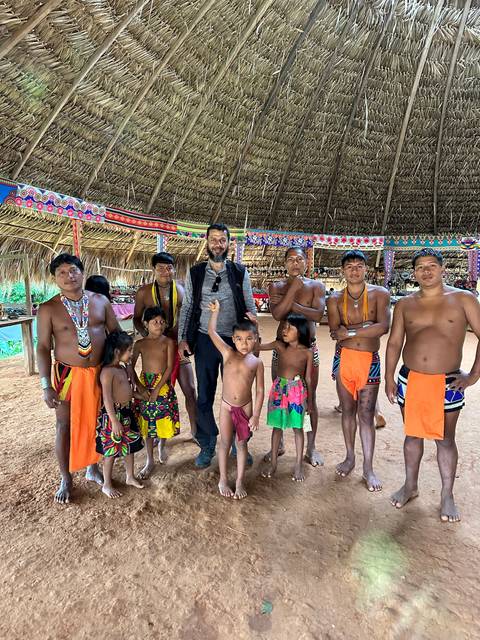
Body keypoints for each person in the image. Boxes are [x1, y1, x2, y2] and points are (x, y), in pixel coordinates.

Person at [385, 248, 480, 523]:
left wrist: (473, 376)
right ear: (413, 273)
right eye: (420, 268)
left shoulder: (463, 299)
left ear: (442, 269)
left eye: (431, 266)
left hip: (448, 381)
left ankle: (447, 494)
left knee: (445, 440)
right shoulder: (405, 304)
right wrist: (390, 377)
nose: (426, 271)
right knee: (412, 435)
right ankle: (410, 485)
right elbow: (394, 342)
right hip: (410, 378)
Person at [37, 253, 120, 503]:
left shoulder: (100, 301)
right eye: (61, 272)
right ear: (54, 278)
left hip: (99, 373)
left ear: (82, 273)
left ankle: (92, 467)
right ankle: (66, 478)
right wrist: (45, 385)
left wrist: (119, 367)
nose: (68, 276)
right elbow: (42, 347)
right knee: (64, 425)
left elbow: (115, 334)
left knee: (98, 421)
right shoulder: (48, 308)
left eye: (73, 270)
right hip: (67, 376)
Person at [178, 223, 257, 468]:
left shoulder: (239, 272)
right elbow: (189, 305)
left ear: (228, 243)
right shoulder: (196, 273)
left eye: (222, 240)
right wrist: (183, 338)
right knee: (205, 395)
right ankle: (208, 442)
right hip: (205, 338)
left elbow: (249, 304)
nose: (218, 244)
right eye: (213, 240)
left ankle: (238, 441)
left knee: (239, 394)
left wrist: (252, 335)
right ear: (207, 242)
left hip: (235, 342)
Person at [327, 250, 390, 492]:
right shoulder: (334, 299)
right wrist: (367, 326)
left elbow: (382, 327)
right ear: (343, 271)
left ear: (366, 269)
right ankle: (350, 456)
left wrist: (351, 331)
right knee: (347, 411)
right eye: (349, 266)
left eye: (359, 266)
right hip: (344, 359)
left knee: (366, 414)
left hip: (368, 360)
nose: (354, 270)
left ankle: (368, 467)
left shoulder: (380, 294)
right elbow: (335, 331)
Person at [266, 246, 325, 467]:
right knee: (280, 393)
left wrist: (292, 303)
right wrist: (293, 290)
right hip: (281, 350)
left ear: (306, 263)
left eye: (299, 259)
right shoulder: (277, 286)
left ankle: (311, 447)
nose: (295, 263)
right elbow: (278, 314)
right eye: (290, 259)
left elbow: (318, 314)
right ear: (285, 264)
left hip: (308, 349)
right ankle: (279, 443)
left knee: (310, 397)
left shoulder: (317, 286)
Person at [134, 252, 196, 441]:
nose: (165, 271)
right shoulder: (144, 292)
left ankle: (195, 431)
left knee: (190, 390)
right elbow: (137, 318)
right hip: (156, 350)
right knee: (155, 391)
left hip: (177, 346)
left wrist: (185, 341)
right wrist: (150, 338)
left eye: (169, 267)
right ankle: (154, 436)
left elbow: (189, 317)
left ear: (174, 269)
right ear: (154, 270)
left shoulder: (182, 290)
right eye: (160, 267)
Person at [208, 300, 264, 499]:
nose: (244, 343)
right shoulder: (227, 353)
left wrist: (255, 415)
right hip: (226, 406)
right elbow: (212, 333)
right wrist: (216, 312)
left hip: (246, 408)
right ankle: (223, 478)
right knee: (224, 443)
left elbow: (260, 391)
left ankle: (240, 480)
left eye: (249, 339)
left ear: (256, 340)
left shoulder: (256, 362)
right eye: (239, 339)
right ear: (233, 339)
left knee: (241, 445)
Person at [259, 314, 313, 482]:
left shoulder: (308, 353)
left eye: (290, 327)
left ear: (301, 331)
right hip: (278, 391)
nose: (285, 330)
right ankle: (274, 463)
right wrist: (253, 327)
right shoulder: (279, 346)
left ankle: (298, 464)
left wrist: (309, 401)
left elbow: (309, 378)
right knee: (277, 427)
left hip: (297, 392)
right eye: (284, 327)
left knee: (298, 428)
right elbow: (258, 346)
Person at [132, 307, 180, 478]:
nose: (159, 325)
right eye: (154, 322)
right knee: (147, 422)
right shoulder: (139, 344)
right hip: (145, 384)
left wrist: (158, 388)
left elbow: (169, 367)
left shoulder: (167, 342)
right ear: (146, 324)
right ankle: (149, 460)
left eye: (161, 322)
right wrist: (139, 386)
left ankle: (161, 445)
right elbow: (129, 366)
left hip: (163, 385)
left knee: (162, 418)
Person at [96, 331, 144, 498]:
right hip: (113, 415)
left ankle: (129, 476)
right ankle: (106, 484)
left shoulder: (122, 368)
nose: (131, 354)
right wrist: (114, 420)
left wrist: (139, 395)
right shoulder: (107, 372)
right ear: (117, 352)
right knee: (110, 451)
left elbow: (127, 391)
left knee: (128, 446)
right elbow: (107, 398)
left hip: (126, 411)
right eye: (129, 350)